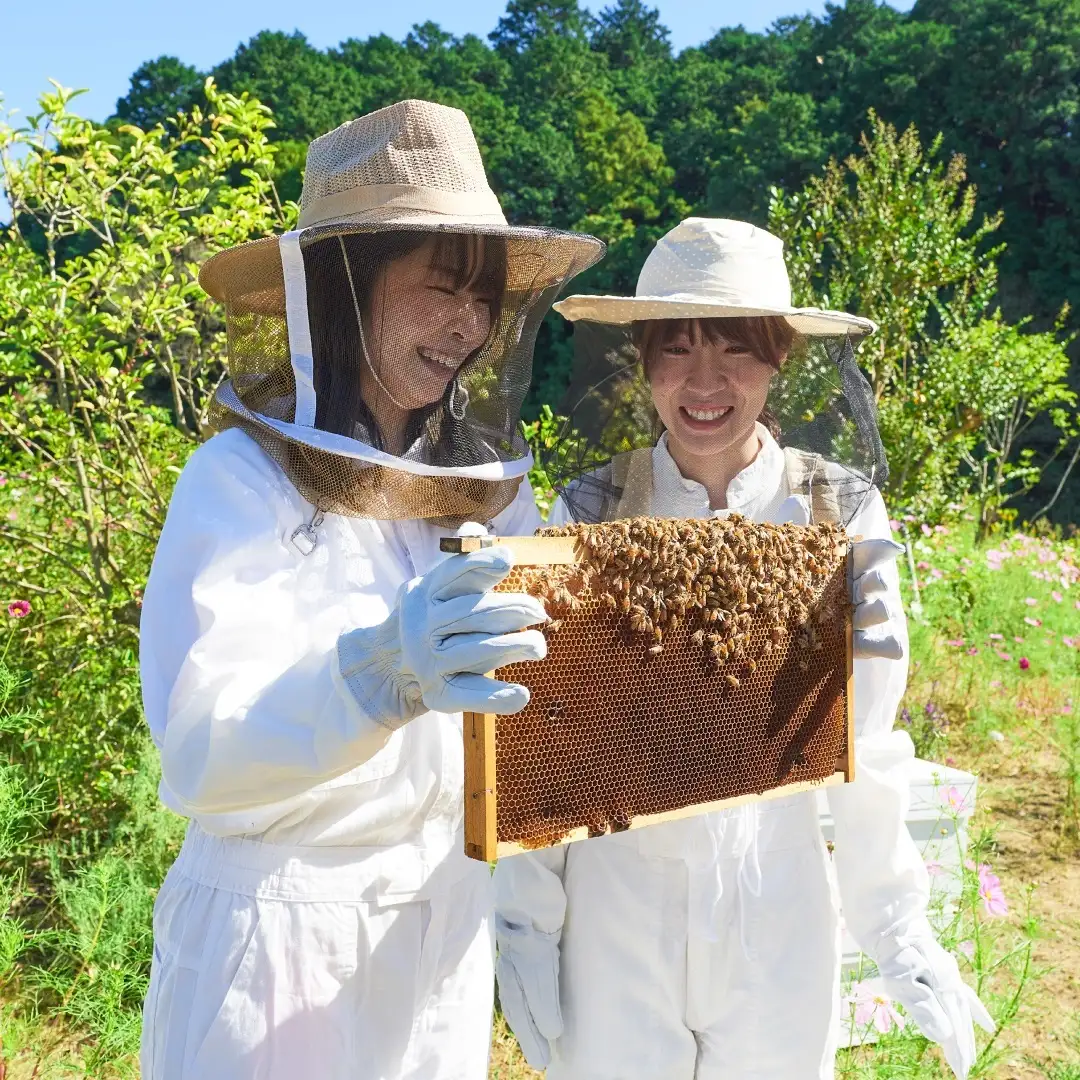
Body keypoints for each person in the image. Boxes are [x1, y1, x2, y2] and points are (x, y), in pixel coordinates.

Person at [138, 99, 602, 1080]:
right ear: (348, 290)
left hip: (440, 932)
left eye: (484, 299)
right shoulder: (238, 485)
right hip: (278, 943)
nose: (470, 325)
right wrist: (381, 670)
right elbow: (200, 756)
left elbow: (552, 687)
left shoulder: (485, 494)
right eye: (442, 287)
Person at [493, 218, 993, 1080]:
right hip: (619, 899)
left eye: (736, 350)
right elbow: (550, 739)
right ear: (643, 358)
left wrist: (897, 923)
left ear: (778, 360)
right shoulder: (587, 511)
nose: (705, 382)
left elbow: (863, 742)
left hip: (778, 894)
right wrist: (526, 917)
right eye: (676, 349)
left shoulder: (840, 511)